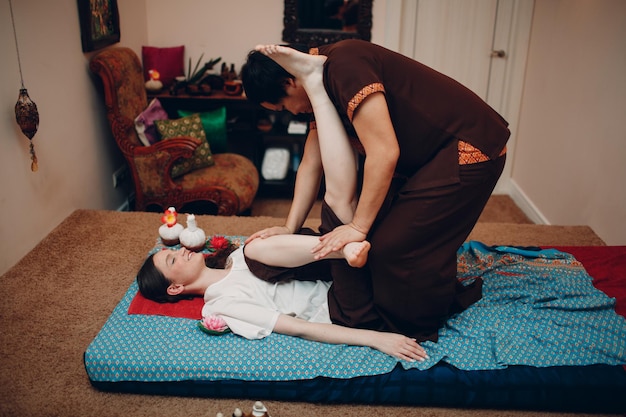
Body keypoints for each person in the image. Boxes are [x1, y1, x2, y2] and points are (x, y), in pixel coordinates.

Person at [240, 40, 510, 342]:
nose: (289, 113)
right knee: (380, 238)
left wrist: (358, 226)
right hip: (426, 159)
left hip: (468, 148)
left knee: (393, 246)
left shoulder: (344, 66)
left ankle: (414, 323)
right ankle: (416, 295)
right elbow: (311, 164)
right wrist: (289, 227)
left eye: (281, 106)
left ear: (289, 82)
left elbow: (384, 152)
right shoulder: (320, 85)